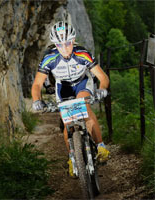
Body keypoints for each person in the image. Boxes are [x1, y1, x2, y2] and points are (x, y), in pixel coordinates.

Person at [31, 21, 110, 177]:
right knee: (67, 122)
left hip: (82, 82)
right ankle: (72, 157)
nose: (65, 48)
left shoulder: (82, 53)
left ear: (73, 40)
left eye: (67, 43)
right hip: (64, 87)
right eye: (60, 45)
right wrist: (36, 100)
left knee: (83, 106)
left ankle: (101, 146)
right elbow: (37, 84)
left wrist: (101, 89)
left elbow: (102, 77)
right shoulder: (49, 58)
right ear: (55, 45)